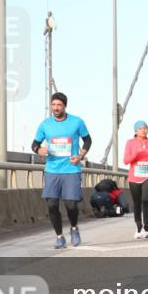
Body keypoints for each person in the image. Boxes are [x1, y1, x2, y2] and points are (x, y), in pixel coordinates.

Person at [32, 92, 91, 249]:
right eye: (53, 105)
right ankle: (59, 237)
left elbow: (88, 140)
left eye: (59, 105)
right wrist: (39, 150)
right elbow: (34, 144)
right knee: (51, 205)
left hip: (71, 169)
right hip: (52, 170)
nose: (56, 108)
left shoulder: (76, 122)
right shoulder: (45, 125)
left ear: (64, 106)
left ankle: (74, 228)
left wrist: (81, 155)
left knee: (71, 205)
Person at [123, 121, 148, 240]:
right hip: (134, 176)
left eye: (145, 128)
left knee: (145, 199)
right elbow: (126, 161)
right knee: (137, 203)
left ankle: (146, 226)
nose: (144, 130)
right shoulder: (130, 143)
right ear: (135, 131)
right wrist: (135, 153)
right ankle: (138, 227)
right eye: (140, 128)